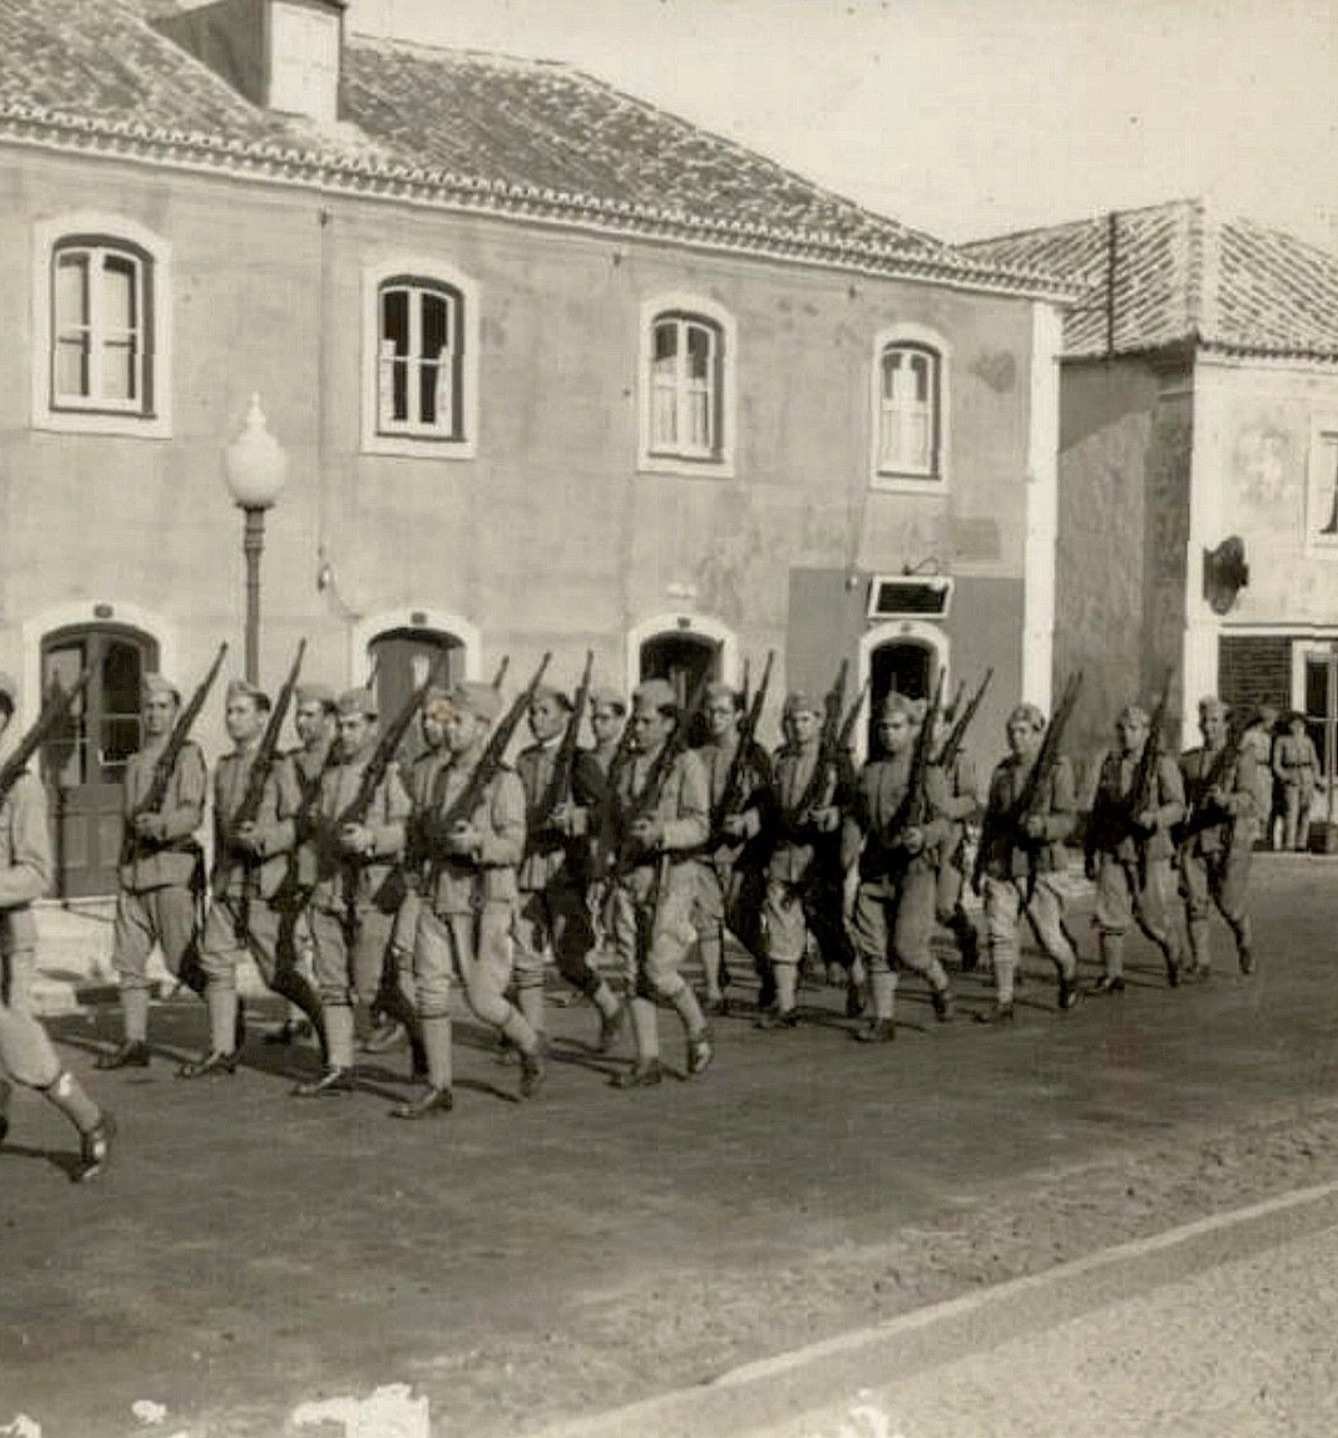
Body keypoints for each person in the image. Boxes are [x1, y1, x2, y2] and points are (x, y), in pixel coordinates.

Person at [396, 681, 546, 1116]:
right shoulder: (438, 776)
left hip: (484, 902)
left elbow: (515, 845)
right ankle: (439, 1086)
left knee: (482, 1001)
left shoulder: (504, 781)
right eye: (446, 719)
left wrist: (478, 842)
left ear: (482, 727)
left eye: (457, 721)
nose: (447, 727)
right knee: (431, 992)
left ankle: (531, 1042)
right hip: (439, 893)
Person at [0, 672, 114, 1181]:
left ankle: (90, 1120)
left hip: (7, 940)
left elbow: (38, 873)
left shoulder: (22, 789)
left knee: (16, 1041)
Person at [292, 687, 409, 1096]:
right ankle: (340, 1065)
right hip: (331, 888)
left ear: (373, 727)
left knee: (370, 986)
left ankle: (420, 1036)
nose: (345, 734)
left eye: (354, 726)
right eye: (340, 726)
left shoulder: (390, 775)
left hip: (371, 891)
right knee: (331, 981)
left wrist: (373, 837)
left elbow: (407, 830)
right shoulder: (330, 775)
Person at [602, 679, 713, 1087]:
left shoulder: (687, 765)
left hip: (672, 876)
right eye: (636, 720)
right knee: (633, 972)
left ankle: (698, 1029)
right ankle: (647, 1058)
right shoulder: (628, 766)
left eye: (647, 721)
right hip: (633, 876)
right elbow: (613, 823)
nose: (637, 728)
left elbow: (701, 823)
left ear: (669, 724)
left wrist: (664, 832)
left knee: (660, 969)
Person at [97, 673, 208, 1069]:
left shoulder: (188, 755)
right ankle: (135, 1042)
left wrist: (160, 825)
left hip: (171, 871)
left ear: (176, 711)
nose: (155, 714)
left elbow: (192, 812)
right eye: (149, 707)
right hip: (134, 872)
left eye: (163, 706)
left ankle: (227, 1011)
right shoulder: (135, 760)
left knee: (181, 962)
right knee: (128, 962)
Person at [513, 684, 624, 1051]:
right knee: (526, 955)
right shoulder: (524, 760)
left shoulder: (579, 760)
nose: (535, 718)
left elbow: (607, 810)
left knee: (568, 959)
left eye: (544, 711)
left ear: (564, 717)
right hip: (528, 865)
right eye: (532, 712)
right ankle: (534, 1037)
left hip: (565, 868)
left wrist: (578, 817)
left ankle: (610, 1007)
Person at [841, 693, 956, 1043]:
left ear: (913, 729)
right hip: (877, 867)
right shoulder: (870, 771)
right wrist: (848, 855)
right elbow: (857, 817)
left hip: (915, 869)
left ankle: (939, 982)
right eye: (884, 727)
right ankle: (884, 1019)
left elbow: (944, 823)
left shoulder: (928, 773)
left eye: (897, 726)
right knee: (874, 945)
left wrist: (922, 835)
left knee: (908, 948)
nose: (889, 734)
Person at [973, 702, 1083, 1023]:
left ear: (1038, 734)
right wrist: (980, 864)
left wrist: (1043, 827)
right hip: (1003, 863)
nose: (1015, 739)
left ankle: (1069, 971)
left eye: (1023, 732)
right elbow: (991, 822)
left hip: (1041, 864)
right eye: (1011, 732)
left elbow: (1069, 818)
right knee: (999, 932)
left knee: (1050, 939)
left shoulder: (1057, 769)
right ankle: (1003, 1000)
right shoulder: (1002, 772)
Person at [759, 691, 859, 1025]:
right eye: (793, 720)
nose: (798, 727)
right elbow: (769, 807)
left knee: (829, 928)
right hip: (783, 855)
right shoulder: (780, 760)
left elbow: (855, 805)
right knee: (781, 930)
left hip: (820, 858)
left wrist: (835, 813)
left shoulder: (835, 762)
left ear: (819, 722)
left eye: (806, 720)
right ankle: (787, 1006)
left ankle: (857, 977)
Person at [1083, 703, 1186, 994]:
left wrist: (1155, 818)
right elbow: (1099, 809)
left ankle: (1173, 953)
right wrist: (1091, 849)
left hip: (1149, 850)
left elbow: (1178, 806)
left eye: (1133, 729)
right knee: (1109, 914)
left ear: (1145, 732)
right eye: (1122, 729)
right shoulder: (1111, 763)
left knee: (1151, 918)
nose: (1126, 735)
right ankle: (1112, 975)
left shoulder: (1161, 764)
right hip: (1114, 847)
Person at [256, 682, 336, 1050]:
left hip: (329, 866)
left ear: (328, 719)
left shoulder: (339, 763)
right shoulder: (287, 764)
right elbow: (274, 814)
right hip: (293, 866)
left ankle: (387, 1016)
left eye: (310, 715)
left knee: (339, 949)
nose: (302, 723)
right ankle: (299, 1018)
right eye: (299, 715)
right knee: (290, 943)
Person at [691, 681, 771, 1016]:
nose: (715, 717)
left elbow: (769, 802)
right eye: (710, 710)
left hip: (740, 854)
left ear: (738, 714)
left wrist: (748, 821)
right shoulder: (696, 755)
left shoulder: (754, 753)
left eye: (723, 711)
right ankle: (713, 991)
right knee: (706, 921)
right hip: (702, 850)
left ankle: (768, 971)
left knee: (741, 921)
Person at [1178, 696, 1260, 980]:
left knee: (1229, 904)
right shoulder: (1189, 761)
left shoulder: (1240, 757)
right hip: (1197, 838)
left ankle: (1245, 940)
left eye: (1214, 720)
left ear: (1226, 724)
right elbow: (1178, 800)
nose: (1207, 726)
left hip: (1229, 839)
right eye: (1203, 720)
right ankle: (1201, 963)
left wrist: (1227, 801)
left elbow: (1250, 798)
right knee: (1195, 901)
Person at [928, 702, 982, 972]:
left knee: (944, 906)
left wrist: (948, 807)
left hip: (950, 838)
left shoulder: (960, 757)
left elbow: (972, 800)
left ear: (946, 726)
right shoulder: (915, 756)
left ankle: (967, 935)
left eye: (936, 722)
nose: (930, 727)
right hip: (923, 836)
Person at [1273, 710, 1319, 853]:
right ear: (1289, 725)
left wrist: (1316, 779)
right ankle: (1289, 843)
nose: (1298, 727)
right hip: (1291, 775)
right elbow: (1276, 764)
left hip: (1306, 776)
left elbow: (1315, 762)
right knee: (1291, 811)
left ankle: (1301, 843)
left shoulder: (1307, 741)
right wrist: (1285, 777)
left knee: (1305, 811)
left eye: (1301, 724)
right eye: (1294, 724)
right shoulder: (1282, 741)